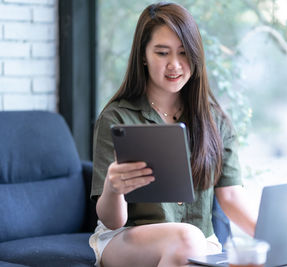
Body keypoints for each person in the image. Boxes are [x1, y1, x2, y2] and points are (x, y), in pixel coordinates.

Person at [89, 2, 256, 267]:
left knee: (193, 244)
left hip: (200, 243)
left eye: (183, 53)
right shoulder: (117, 117)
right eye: (162, 53)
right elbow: (113, 220)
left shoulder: (215, 120)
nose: (175, 65)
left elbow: (232, 197)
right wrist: (113, 187)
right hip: (127, 239)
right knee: (188, 241)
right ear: (143, 55)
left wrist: (274, 238)